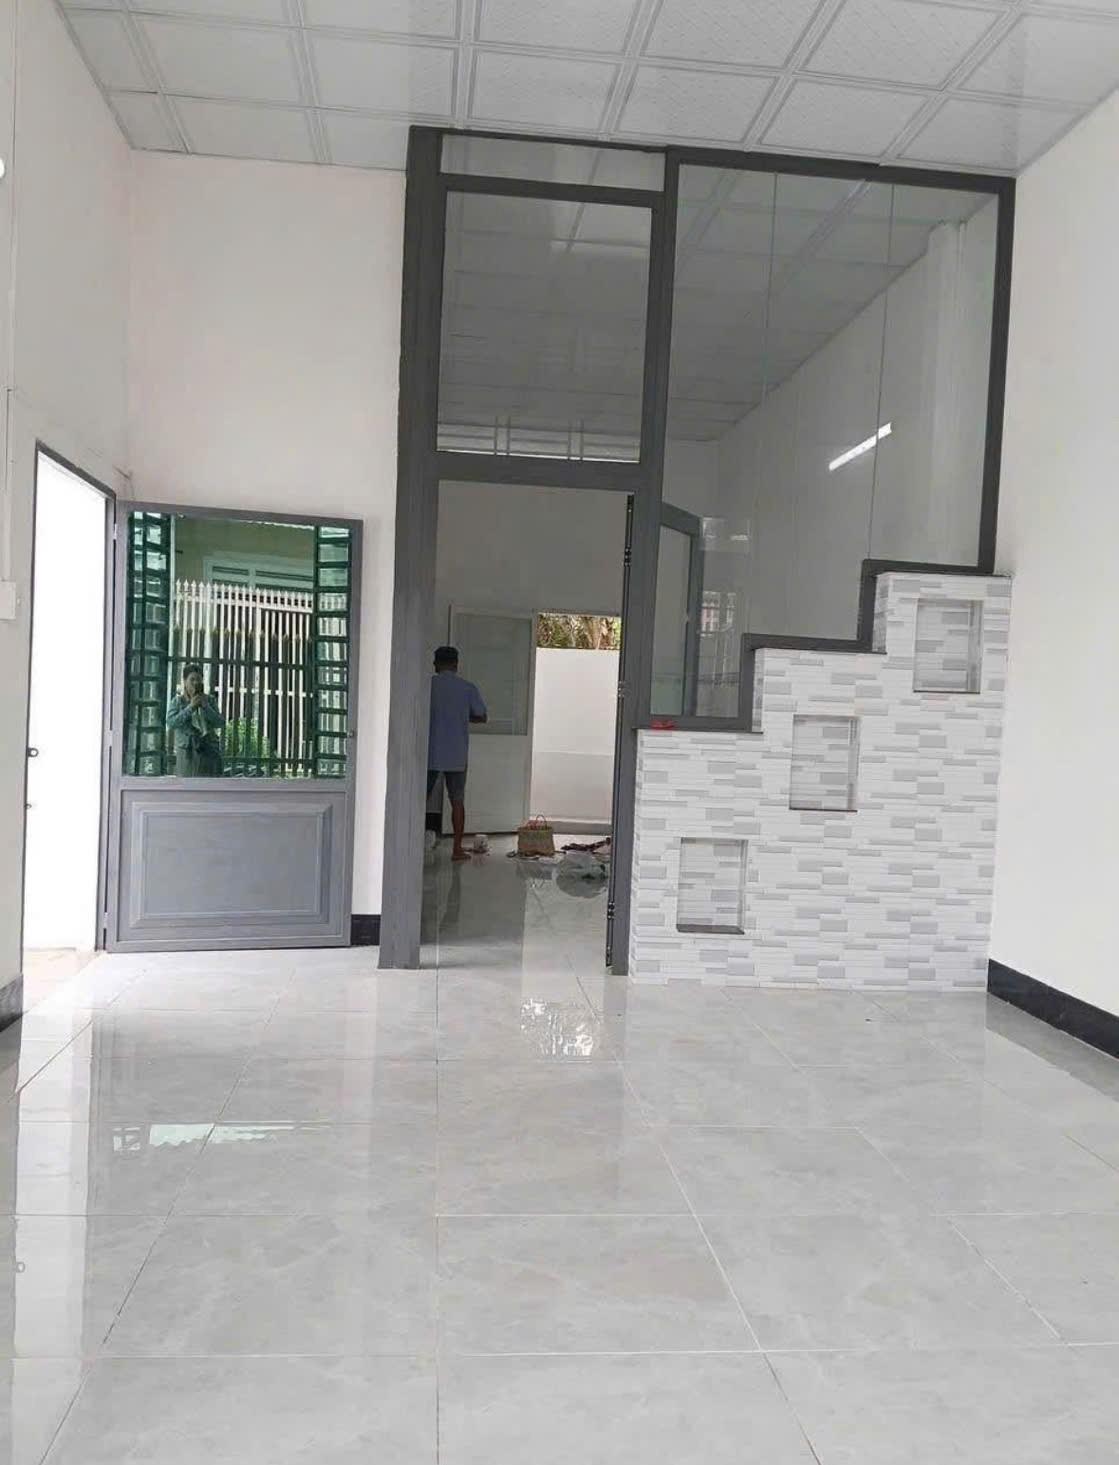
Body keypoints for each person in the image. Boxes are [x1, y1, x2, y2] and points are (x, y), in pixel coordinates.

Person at [427, 645, 486, 861]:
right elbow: (482, 716)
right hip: (456, 753)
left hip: (429, 753)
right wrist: (462, 716)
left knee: (419, 800)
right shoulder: (467, 688)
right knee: (457, 801)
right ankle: (457, 849)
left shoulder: (427, 686)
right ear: (456, 664)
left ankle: (412, 844)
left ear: (436, 663)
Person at [167, 663, 225, 776]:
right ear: (185, 681)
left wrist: (206, 707)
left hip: (208, 749)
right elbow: (171, 722)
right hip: (187, 751)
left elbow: (219, 722)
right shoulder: (177, 702)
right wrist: (190, 708)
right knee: (187, 783)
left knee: (208, 783)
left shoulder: (210, 700)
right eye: (192, 679)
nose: (195, 683)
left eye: (198, 679)